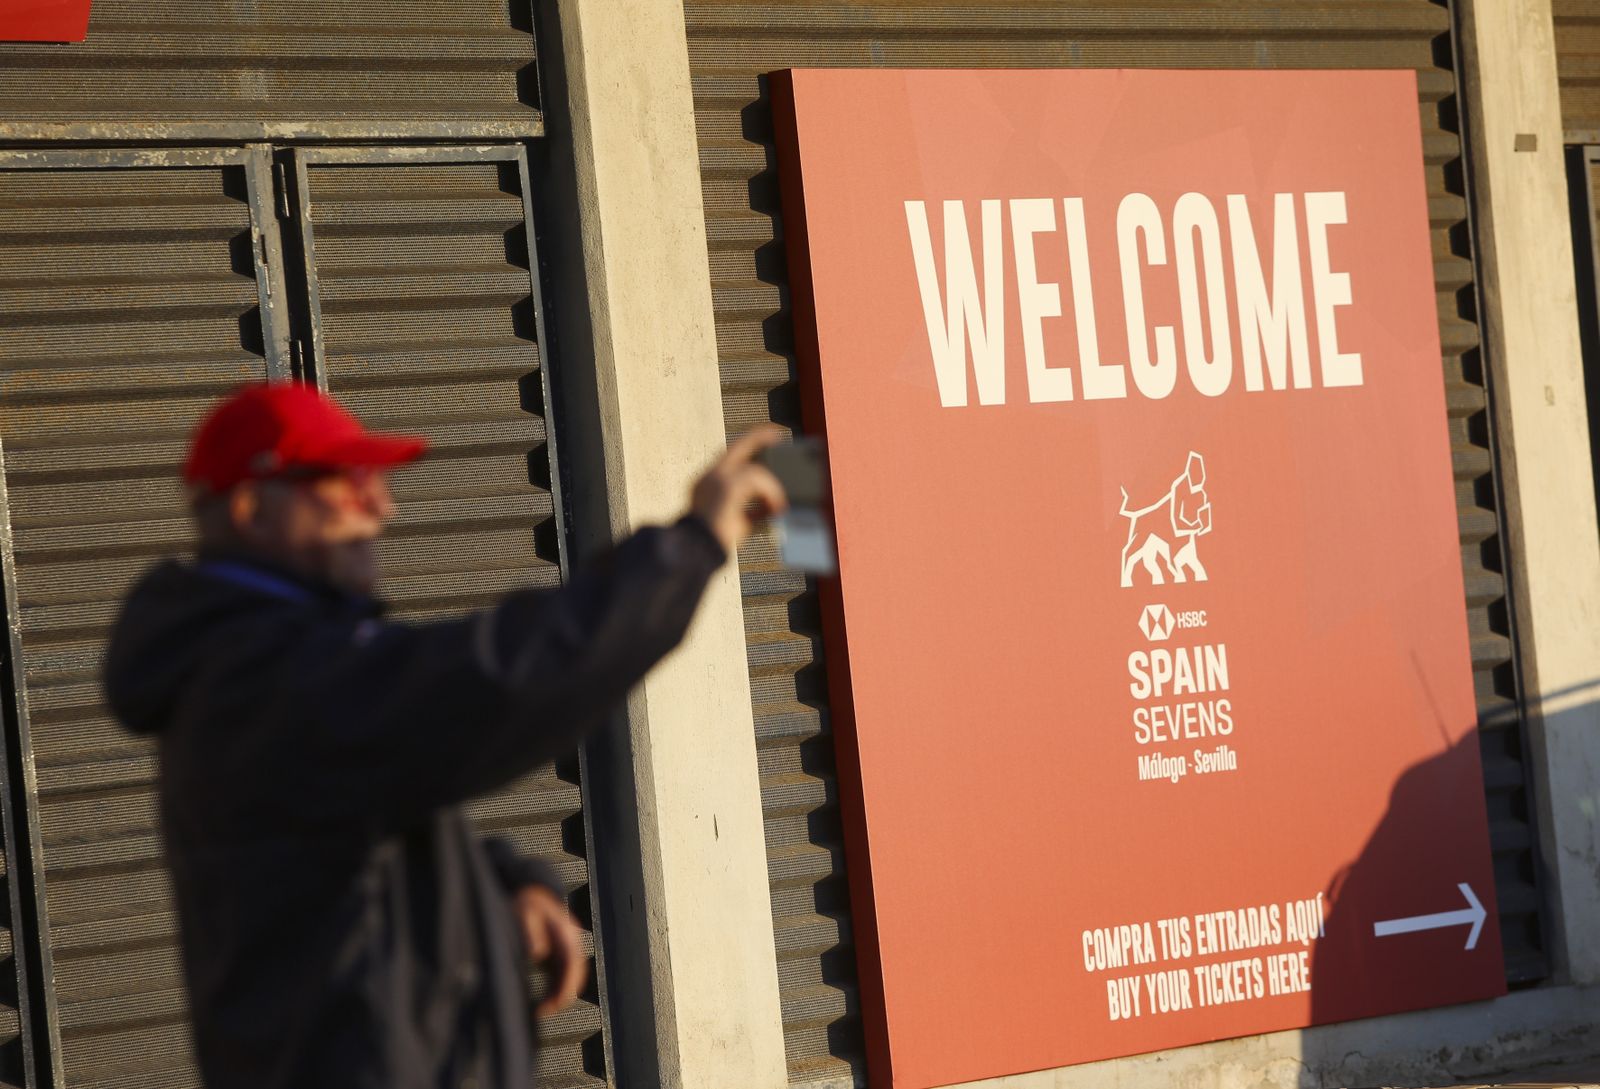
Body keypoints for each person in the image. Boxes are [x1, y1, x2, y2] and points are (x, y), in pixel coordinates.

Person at [102, 382, 786, 1089]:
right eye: (347, 483)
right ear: (251, 509)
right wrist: (694, 542)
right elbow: (509, 675)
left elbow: (351, 839)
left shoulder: (265, 663)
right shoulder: (270, 678)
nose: (383, 505)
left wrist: (501, 884)